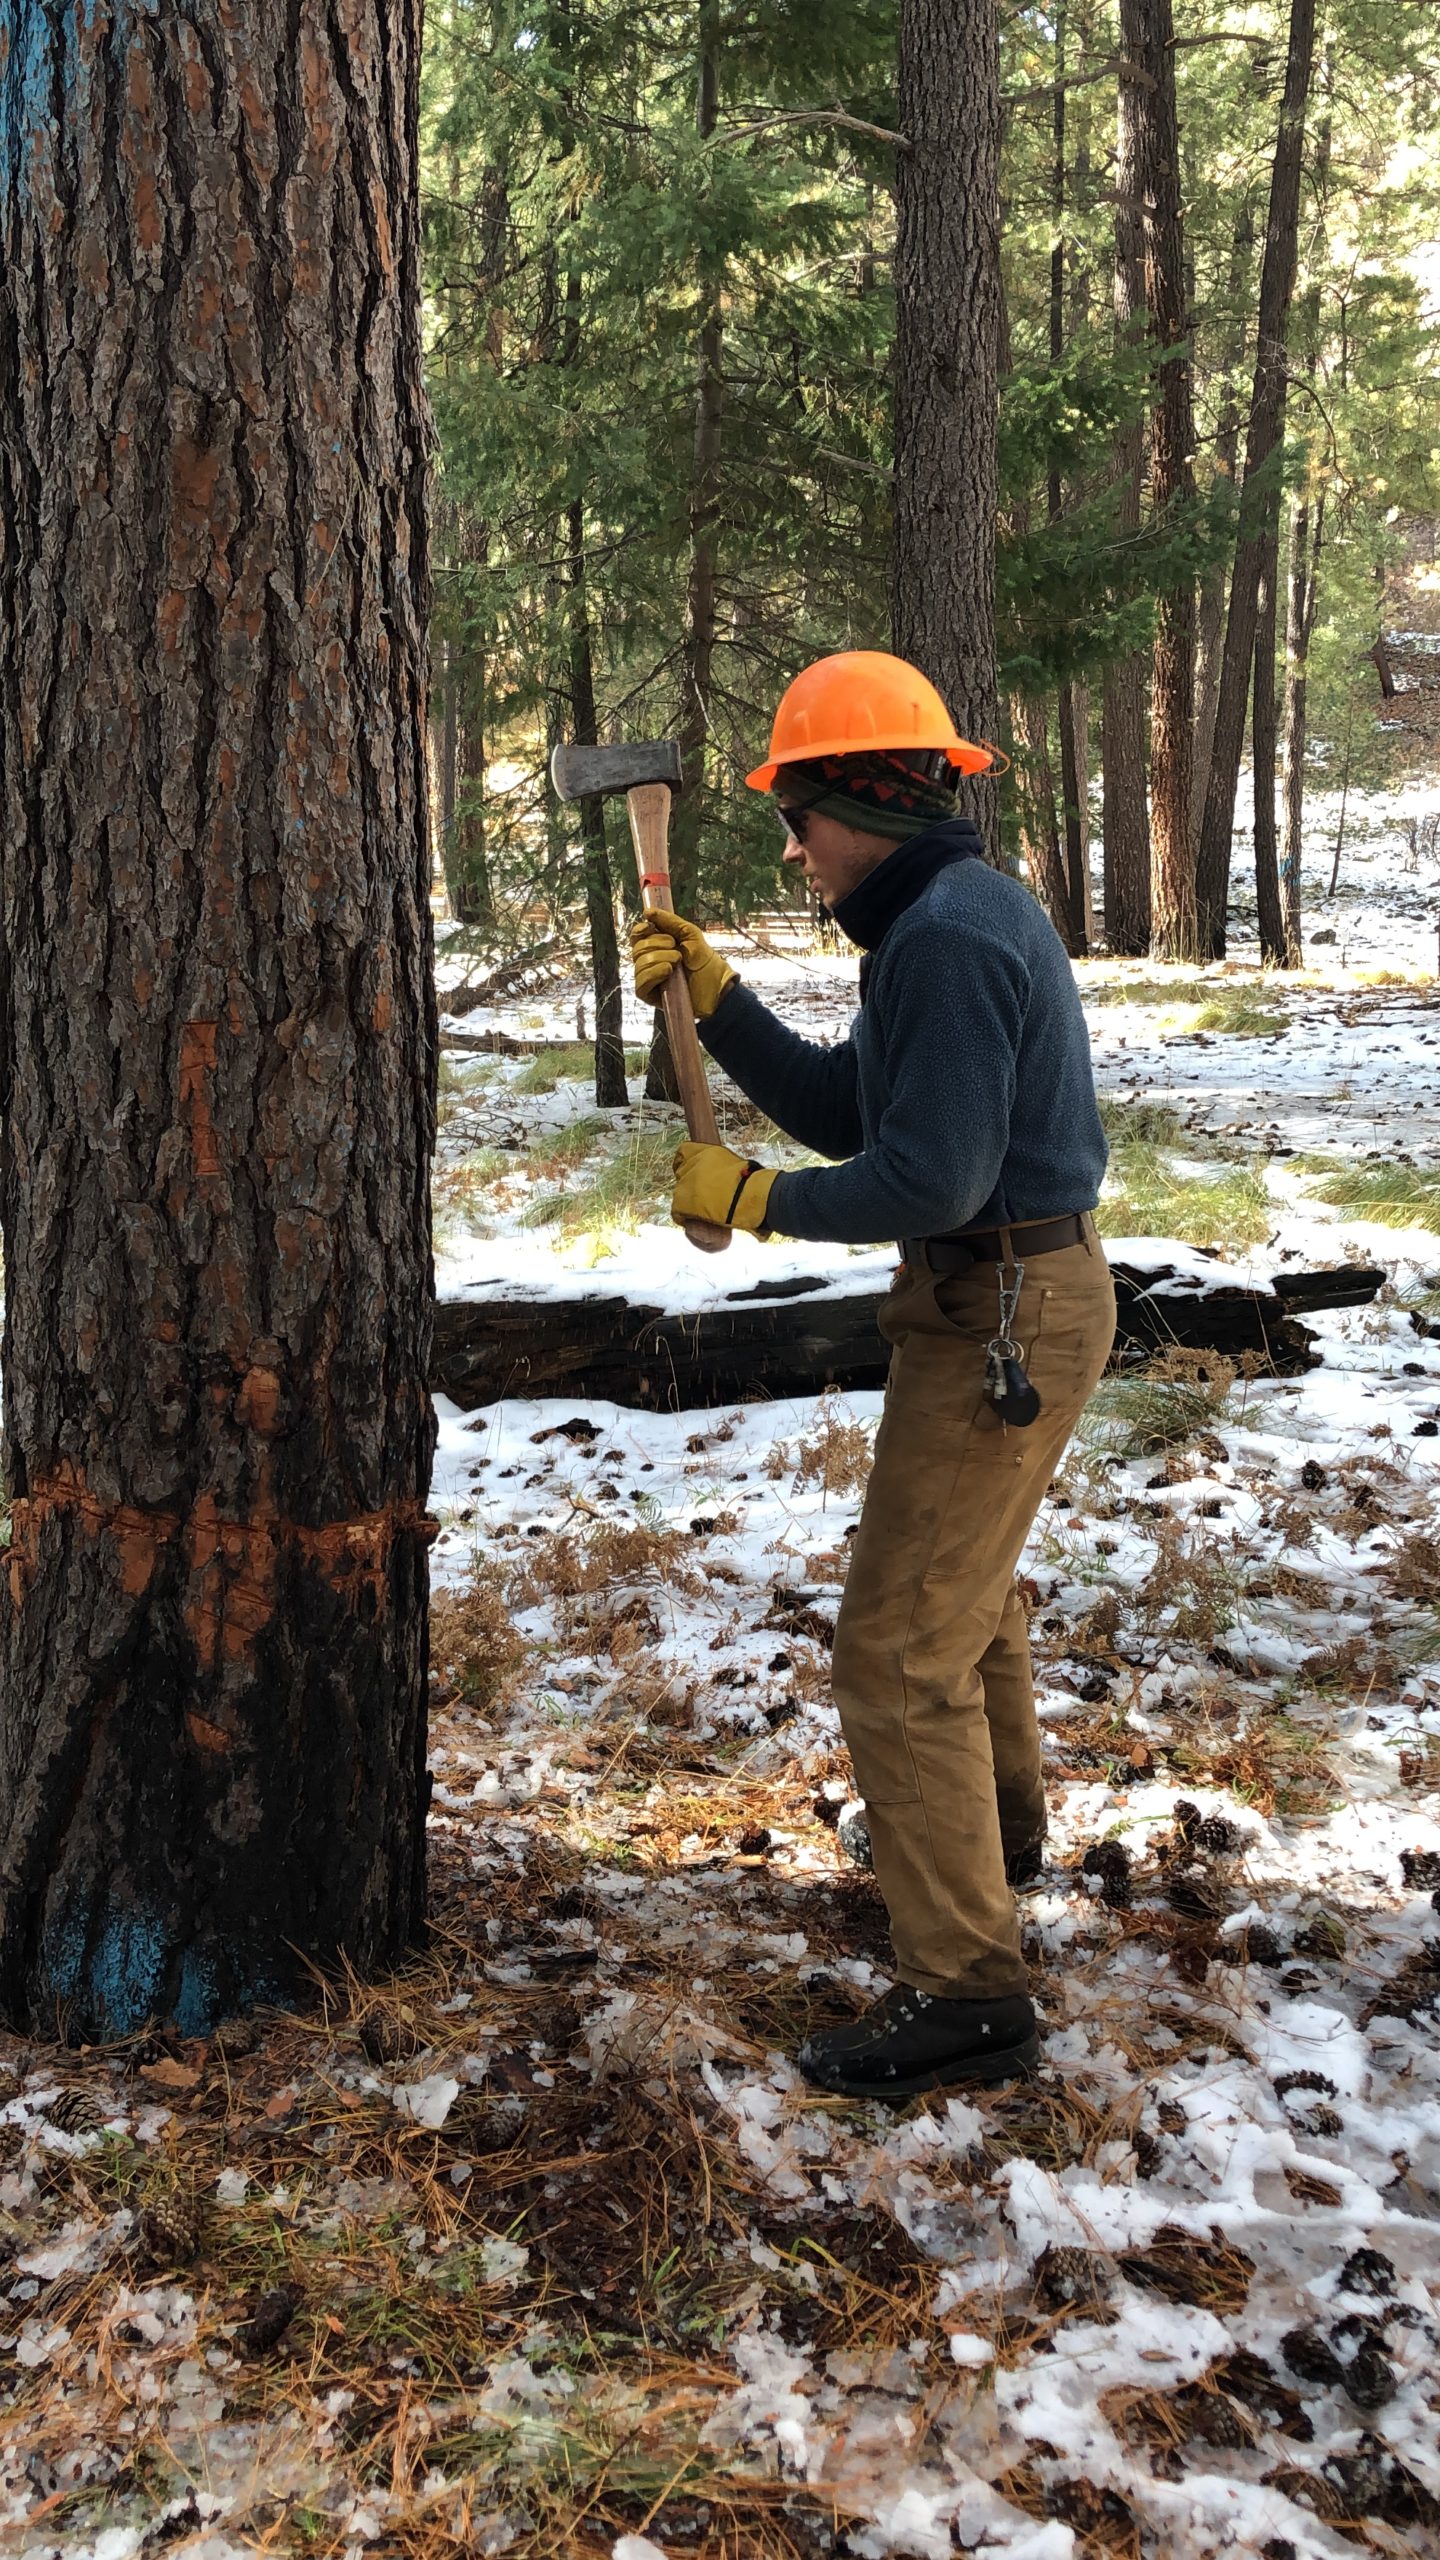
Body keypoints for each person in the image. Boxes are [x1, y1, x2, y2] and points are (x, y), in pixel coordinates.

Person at [629, 650, 1116, 2102]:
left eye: (801, 817)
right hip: (1006, 1297)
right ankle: (990, 1846)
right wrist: (721, 1003)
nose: (794, 848)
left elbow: (931, 1174)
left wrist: (758, 1199)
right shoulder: (940, 921)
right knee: (965, 1607)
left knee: (898, 1648)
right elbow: (859, 1106)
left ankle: (968, 1990)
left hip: (1002, 1308)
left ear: (864, 806)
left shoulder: (948, 939)